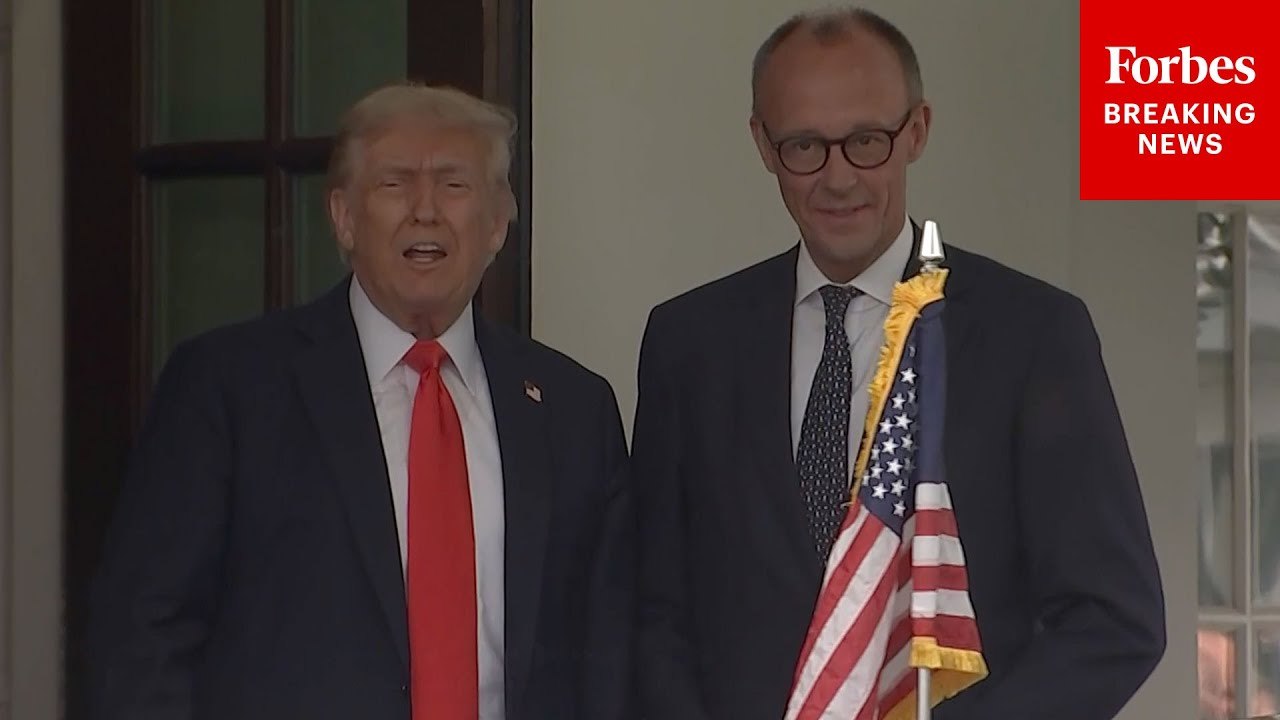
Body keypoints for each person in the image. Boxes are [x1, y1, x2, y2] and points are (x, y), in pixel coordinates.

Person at [632, 7, 1165, 720]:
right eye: (804, 147)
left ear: (916, 131)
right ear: (762, 144)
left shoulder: (1032, 333)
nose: (838, 178)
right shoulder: (688, 342)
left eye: (866, 141)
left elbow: (1114, 620)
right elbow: (652, 610)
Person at [86, 83, 633, 719]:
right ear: (343, 217)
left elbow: (608, 650)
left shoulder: (573, 408)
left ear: (496, 225)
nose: (425, 211)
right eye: (395, 184)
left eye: (454, 185)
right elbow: (142, 634)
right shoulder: (228, 387)